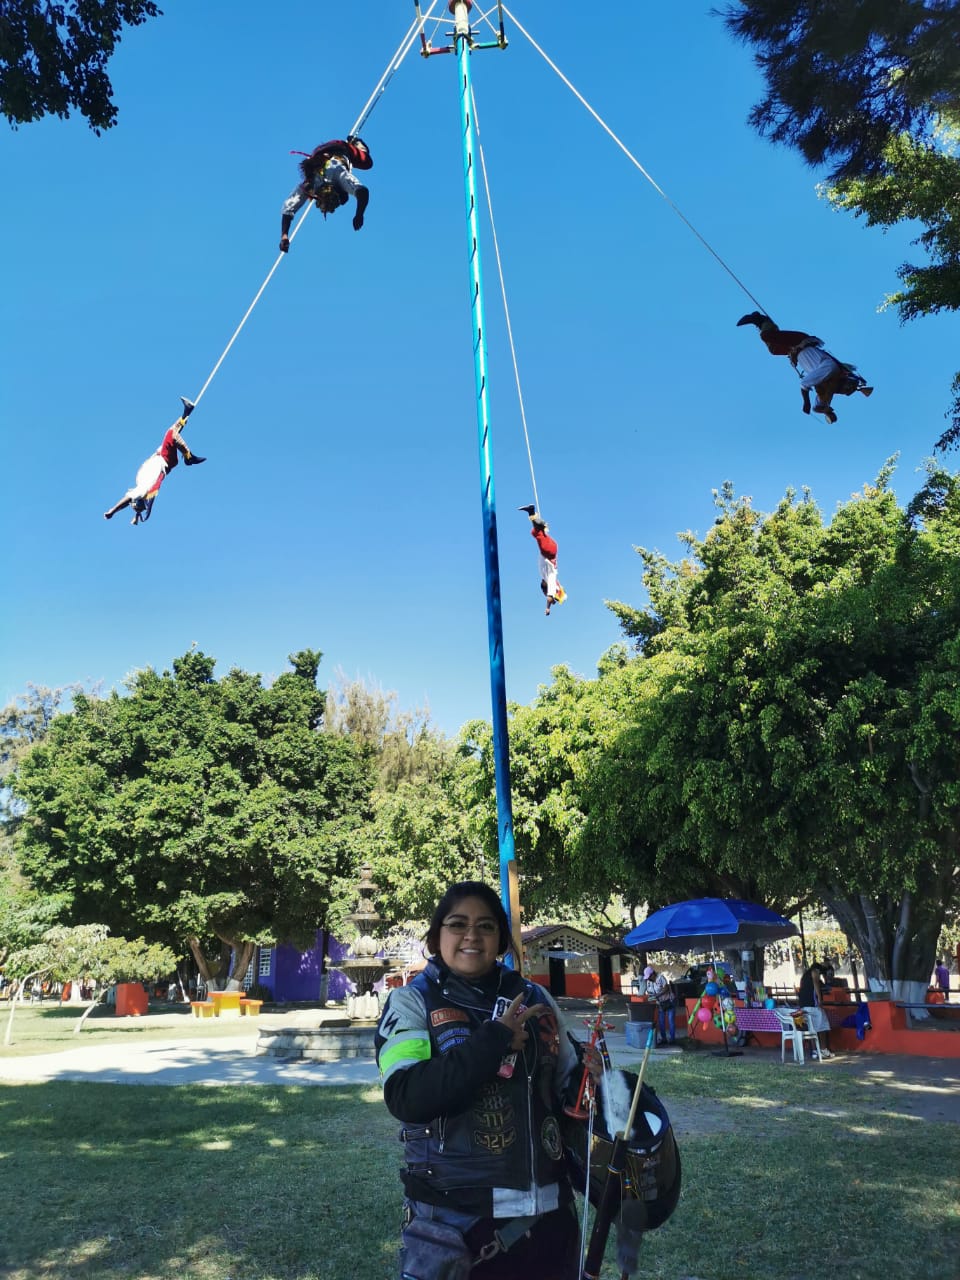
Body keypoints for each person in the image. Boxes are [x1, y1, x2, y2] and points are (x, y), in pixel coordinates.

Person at [374, 880, 583, 1280]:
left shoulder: (537, 997)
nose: (472, 935)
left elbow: (568, 1087)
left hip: (552, 1217)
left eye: (486, 926)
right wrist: (493, 1041)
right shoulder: (411, 1002)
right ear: (437, 937)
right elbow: (407, 1096)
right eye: (458, 924)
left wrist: (599, 1084)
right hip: (460, 1225)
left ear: (502, 939)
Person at [736, 311, 873, 425]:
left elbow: (821, 402)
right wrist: (806, 402)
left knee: (773, 349)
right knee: (768, 336)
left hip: (794, 349)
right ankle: (760, 319)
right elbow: (805, 384)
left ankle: (761, 323)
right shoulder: (830, 369)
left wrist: (827, 411)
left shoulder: (826, 380)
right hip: (799, 341)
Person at [103, 397, 205, 525]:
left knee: (173, 432)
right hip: (165, 459)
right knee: (171, 434)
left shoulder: (142, 487)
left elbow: (135, 501)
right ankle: (189, 458)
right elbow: (129, 499)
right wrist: (112, 510)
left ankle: (187, 412)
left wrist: (137, 516)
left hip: (163, 457)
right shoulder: (142, 490)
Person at [279, 135, 372, 251]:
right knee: (361, 165)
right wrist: (284, 235)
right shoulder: (310, 184)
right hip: (324, 152)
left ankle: (356, 142)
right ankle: (355, 144)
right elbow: (288, 208)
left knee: (367, 162)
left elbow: (363, 191)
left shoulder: (337, 176)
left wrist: (359, 214)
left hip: (340, 149)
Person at [518, 506, 567, 616]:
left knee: (536, 533)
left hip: (549, 548)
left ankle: (531, 512)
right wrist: (548, 608)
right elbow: (550, 597)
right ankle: (538, 522)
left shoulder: (546, 576)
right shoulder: (551, 579)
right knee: (538, 534)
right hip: (549, 551)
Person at [797, 962, 831, 1058]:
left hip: (803, 1004)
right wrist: (820, 999)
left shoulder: (805, 975)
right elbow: (816, 985)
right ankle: (823, 1049)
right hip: (812, 1004)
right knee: (823, 1026)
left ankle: (815, 1051)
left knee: (811, 1027)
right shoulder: (815, 971)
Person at [642, 964, 676, 1047]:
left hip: (669, 1001)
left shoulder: (660, 978)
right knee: (661, 1022)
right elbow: (650, 992)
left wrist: (658, 995)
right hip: (660, 1004)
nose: (648, 979)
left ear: (653, 974)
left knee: (671, 1020)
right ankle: (664, 1039)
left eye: (649, 977)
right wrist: (652, 997)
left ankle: (672, 1039)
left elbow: (666, 988)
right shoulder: (649, 982)